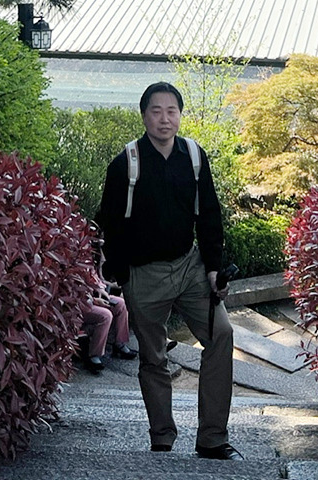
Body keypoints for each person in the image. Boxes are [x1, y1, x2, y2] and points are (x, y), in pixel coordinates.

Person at [97, 81, 238, 460]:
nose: (164, 118)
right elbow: (109, 223)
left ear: (180, 115)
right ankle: (162, 436)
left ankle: (212, 437)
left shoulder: (193, 156)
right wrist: (123, 276)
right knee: (153, 356)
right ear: (144, 116)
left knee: (222, 334)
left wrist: (213, 268)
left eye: (171, 111)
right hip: (143, 274)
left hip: (189, 266)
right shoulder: (126, 163)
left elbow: (209, 214)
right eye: (156, 111)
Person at [78, 228, 138, 374]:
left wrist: (108, 289)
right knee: (105, 315)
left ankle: (120, 343)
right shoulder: (77, 262)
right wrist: (95, 300)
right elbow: (76, 291)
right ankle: (94, 355)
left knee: (121, 304)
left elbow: (98, 281)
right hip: (83, 303)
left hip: (96, 297)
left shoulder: (94, 260)